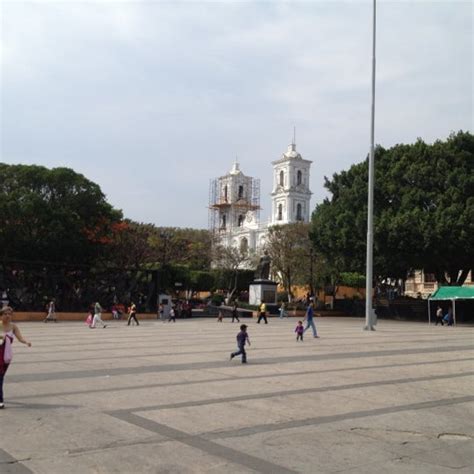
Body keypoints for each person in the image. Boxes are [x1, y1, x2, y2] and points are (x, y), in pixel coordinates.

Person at [1, 306, 32, 408]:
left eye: (9, 314)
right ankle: (0, 400)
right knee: (0, 377)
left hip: (6, 356)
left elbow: (20, 337)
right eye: (5, 314)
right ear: (1, 315)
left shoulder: (13, 327)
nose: (7, 316)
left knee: (1, 376)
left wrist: (26, 342)